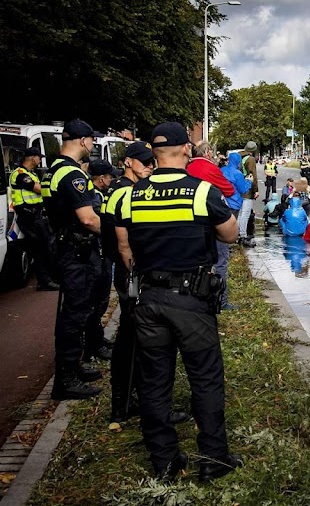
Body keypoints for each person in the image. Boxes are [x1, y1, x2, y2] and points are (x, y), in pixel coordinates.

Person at [115, 122, 241, 481]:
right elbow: (229, 235)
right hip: (190, 301)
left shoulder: (130, 195)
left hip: (148, 299)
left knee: (154, 380)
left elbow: (125, 247)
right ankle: (213, 460)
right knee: (205, 378)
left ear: (153, 153)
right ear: (186, 149)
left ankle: (165, 462)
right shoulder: (200, 192)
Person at [45, 119, 103, 399]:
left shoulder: (52, 170)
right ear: (83, 141)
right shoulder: (72, 175)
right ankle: (66, 378)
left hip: (64, 247)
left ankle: (73, 366)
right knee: (75, 314)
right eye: (92, 141)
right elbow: (89, 219)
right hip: (76, 252)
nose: (92, 145)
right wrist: (115, 231)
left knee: (74, 311)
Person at [100, 142, 158, 422]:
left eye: (151, 161)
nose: (149, 165)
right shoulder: (126, 192)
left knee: (131, 336)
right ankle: (125, 404)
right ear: (128, 162)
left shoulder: (119, 189)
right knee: (134, 339)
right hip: (131, 274)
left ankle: (124, 402)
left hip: (125, 273)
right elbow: (126, 245)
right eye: (144, 161)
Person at [190, 141, 240, 310]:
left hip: (190, 223)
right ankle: (220, 300)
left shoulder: (187, 167)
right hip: (212, 219)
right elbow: (229, 190)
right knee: (221, 260)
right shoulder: (210, 169)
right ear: (208, 153)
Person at [8, 147, 58, 290]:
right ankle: (44, 281)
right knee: (42, 247)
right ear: (32, 158)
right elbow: (38, 188)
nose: (40, 160)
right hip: (27, 215)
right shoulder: (20, 174)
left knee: (44, 245)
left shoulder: (31, 173)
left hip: (35, 214)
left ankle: (46, 279)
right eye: (39, 157)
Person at [84, 159, 115, 362]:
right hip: (97, 256)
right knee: (96, 303)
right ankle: (91, 347)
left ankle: (96, 340)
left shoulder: (99, 194)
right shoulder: (95, 197)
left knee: (100, 302)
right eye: (110, 176)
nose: (112, 179)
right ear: (101, 178)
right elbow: (96, 223)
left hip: (101, 255)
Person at [240, 142, 260, 243]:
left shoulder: (239, 157)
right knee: (245, 213)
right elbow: (253, 176)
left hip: (238, 187)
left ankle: (237, 234)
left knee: (239, 213)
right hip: (247, 188)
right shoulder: (250, 159)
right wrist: (255, 190)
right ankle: (242, 235)